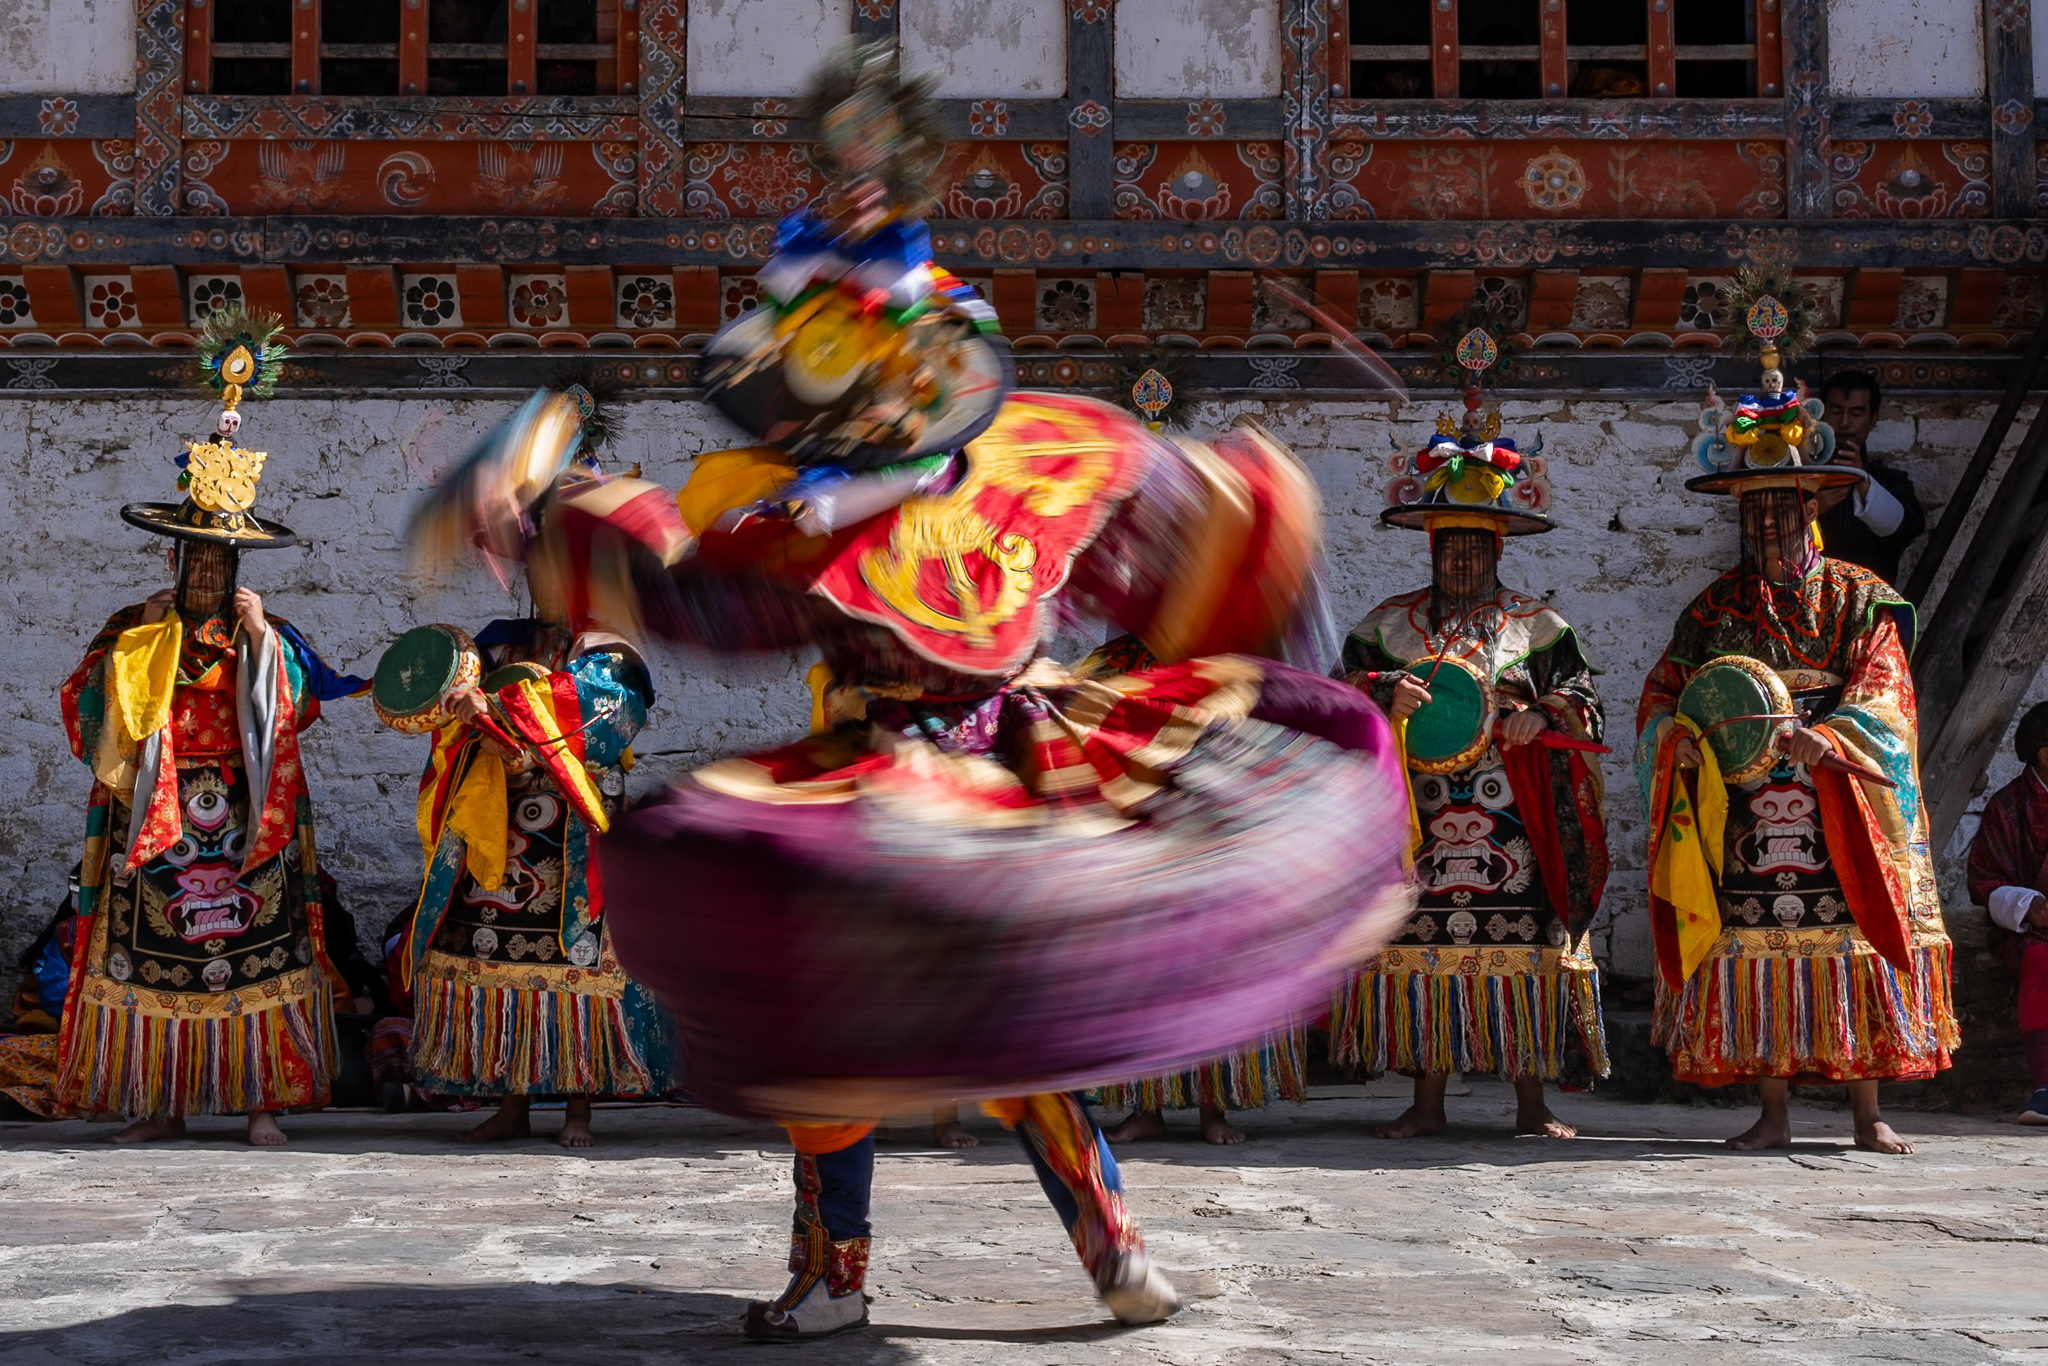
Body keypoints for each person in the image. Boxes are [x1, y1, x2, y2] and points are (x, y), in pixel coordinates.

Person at [408, 44, 1415, 1342]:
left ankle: (1094, 1252)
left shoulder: (1036, 463)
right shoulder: (795, 526)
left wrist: (1240, 496)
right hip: (886, 781)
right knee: (863, 1036)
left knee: (1002, 1035)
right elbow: (687, 585)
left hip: (1013, 762)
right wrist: (534, 505)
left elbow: (1167, 539)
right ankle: (859, 1272)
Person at [1640, 320, 1956, 1154]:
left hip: (1837, 790)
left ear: (1812, 506)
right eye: (1755, 510)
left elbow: (1887, 686)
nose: (1768, 525)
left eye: (1782, 507)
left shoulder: (1860, 595)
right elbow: (1666, 695)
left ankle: (1868, 1110)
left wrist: (1837, 735)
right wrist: (1683, 741)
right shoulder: (1713, 608)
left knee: (1854, 939)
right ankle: (1771, 1112)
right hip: (1749, 803)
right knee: (1757, 945)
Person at [53, 310, 363, 1145]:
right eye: (196, 561)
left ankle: (262, 1101)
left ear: (236, 569)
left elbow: (297, 711)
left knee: (258, 957)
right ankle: (161, 1103)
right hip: (155, 814)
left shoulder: (267, 634)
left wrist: (263, 641)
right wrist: (138, 644)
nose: (207, 576)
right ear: (174, 562)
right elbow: (85, 716)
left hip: (244, 816)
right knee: (153, 960)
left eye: (222, 563)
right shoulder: (133, 629)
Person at [386, 394, 676, 1149]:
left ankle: (577, 1107)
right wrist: (460, 708)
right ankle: (510, 1103)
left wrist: (502, 709)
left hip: (573, 833)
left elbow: (596, 720)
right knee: (488, 953)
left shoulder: (615, 651)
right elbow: (461, 699)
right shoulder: (497, 640)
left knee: (575, 962)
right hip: (499, 828)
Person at [1336, 359, 1612, 1140]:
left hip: (1512, 814)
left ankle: (1532, 1104)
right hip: (1422, 817)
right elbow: (1337, 697)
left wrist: (1542, 712)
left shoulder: (1540, 626)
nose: (1460, 556)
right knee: (1422, 947)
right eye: (1448, 542)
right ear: (1430, 546)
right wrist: (1383, 698)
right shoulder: (1385, 626)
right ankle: (1425, 1103)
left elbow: (1587, 704)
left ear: (1499, 547)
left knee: (1524, 949)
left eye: (1475, 543)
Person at [1964, 700, 2048, 1125]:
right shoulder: (2007, 807)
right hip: (2033, 929)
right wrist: (2030, 906)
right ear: (2045, 754)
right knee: (2039, 960)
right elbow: (1984, 881)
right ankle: (2046, 1089)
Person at [1815, 370, 1927, 587]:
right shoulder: (1801, 479)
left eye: (1856, 414)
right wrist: (1810, 511)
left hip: (1871, 605)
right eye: (1836, 412)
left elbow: (1908, 529)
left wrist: (1864, 483)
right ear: (1822, 414)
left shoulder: (1892, 482)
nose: (1845, 423)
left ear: (1873, 419)